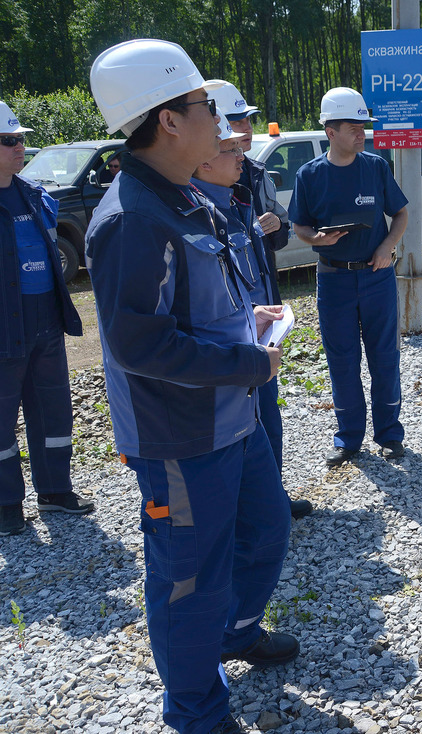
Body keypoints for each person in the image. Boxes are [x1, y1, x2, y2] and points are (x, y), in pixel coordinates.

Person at [85, 40, 297, 734]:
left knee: (266, 533)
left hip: (232, 421)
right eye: (206, 107)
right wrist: (245, 365)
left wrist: (248, 320)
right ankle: (195, 712)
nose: (223, 124)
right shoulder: (132, 219)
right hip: (181, 437)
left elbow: (196, 306)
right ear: (169, 120)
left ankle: (235, 634)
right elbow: (138, 343)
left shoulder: (183, 197)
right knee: (189, 581)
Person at [206, 80, 311, 519]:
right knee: (237, 417)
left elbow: (281, 235)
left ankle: (274, 500)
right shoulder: (200, 184)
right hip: (229, 320)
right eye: (234, 121)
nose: (244, 130)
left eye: (247, 120)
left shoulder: (256, 174)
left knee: (269, 410)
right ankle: (246, 510)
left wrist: (276, 226)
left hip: (263, 310)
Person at [288, 87, 409, 467]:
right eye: (353, 127)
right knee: (342, 360)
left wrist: (386, 247)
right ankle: (348, 439)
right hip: (334, 281)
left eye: (363, 127)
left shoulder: (375, 167)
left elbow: (402, 215)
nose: (362, 134)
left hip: (376, 278)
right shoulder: (309, 175)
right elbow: (300, 228)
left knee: (384, 356)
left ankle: (389, 434)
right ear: (330, 131)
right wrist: (317, 238)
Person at [0, 100, 92, 537]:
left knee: (53, 412)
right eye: (9, 140)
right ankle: (6, 505)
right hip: (3, 328)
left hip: (45, 323)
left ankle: (55, 491)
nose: (20, 148)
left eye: (21, 140)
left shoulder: (34, 195)